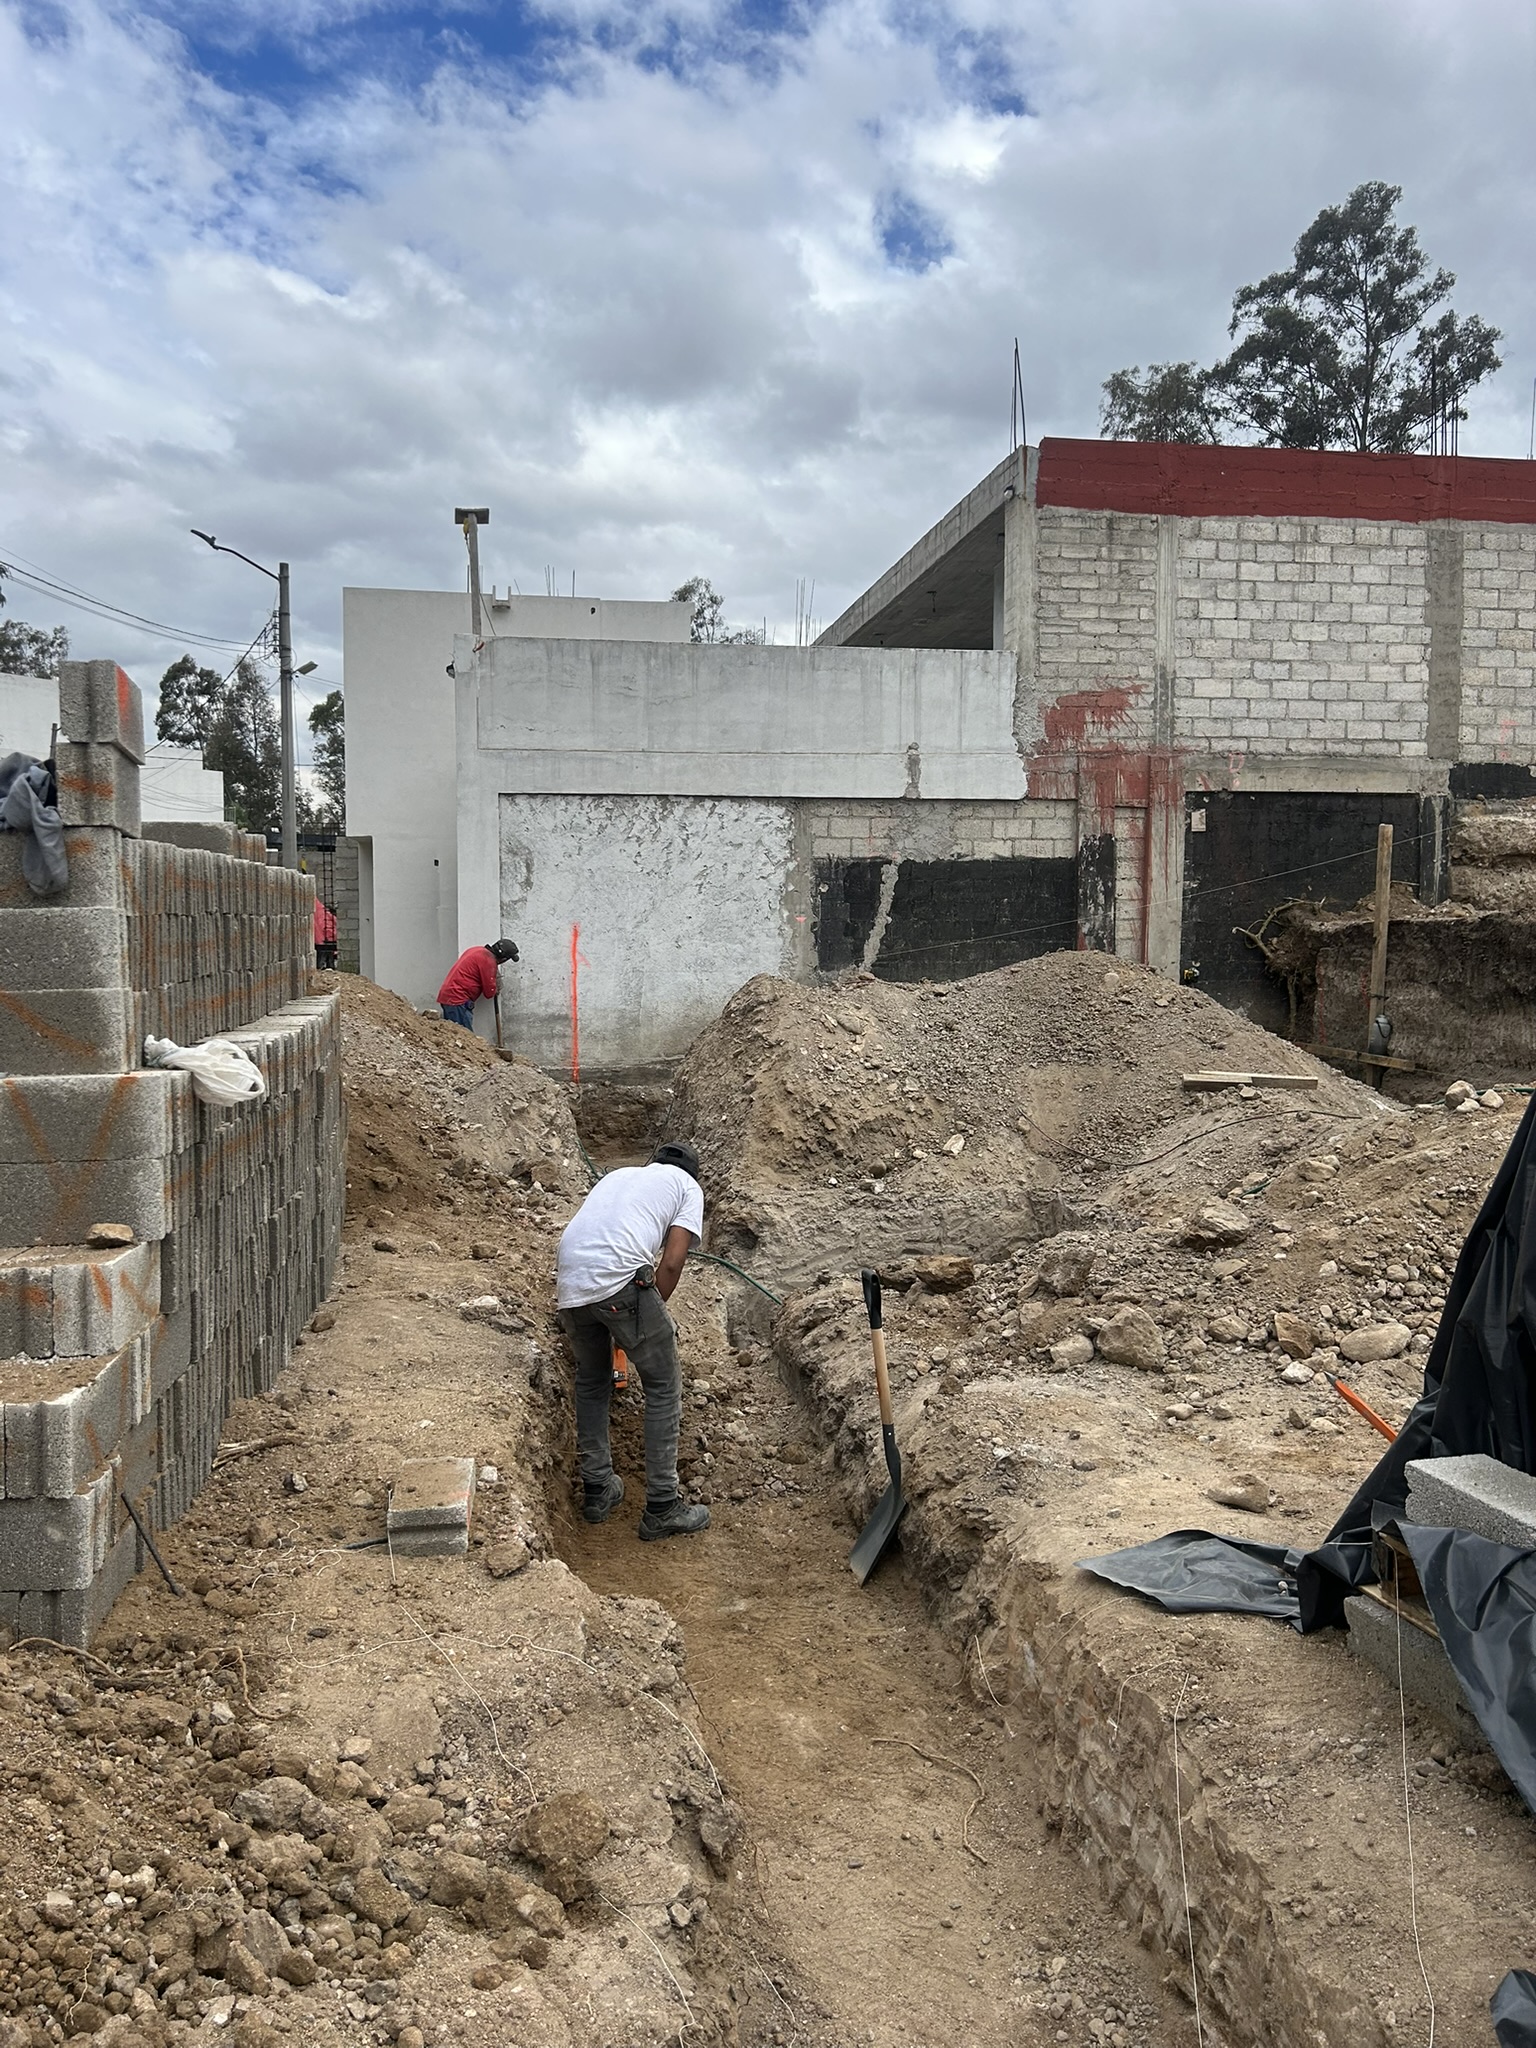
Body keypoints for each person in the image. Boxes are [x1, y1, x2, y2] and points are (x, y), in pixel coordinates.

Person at [556, 1142, 711, 1541]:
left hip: (571, 1283)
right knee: (662, 1384)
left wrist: (626, 1328)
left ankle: (598, 1490)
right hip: (620, 1278)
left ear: (652, 1163)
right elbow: (672, 1263)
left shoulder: (619, 1175)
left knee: (591, 1383)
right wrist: (642, 1320)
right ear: (692, 1173)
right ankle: (662, 1506)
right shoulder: (688, 1188)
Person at [437, 938, 518, 1029]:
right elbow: (489, 993)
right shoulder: (489, 961)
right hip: (458, 1000)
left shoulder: (477, 950)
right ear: (503, 958)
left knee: (456, 1036)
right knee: (464, 1039)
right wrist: (496, 986)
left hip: (450, 996)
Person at [313, 898, 337, 970]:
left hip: (320, 940)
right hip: (326, 939)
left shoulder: (318, 910)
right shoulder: (322, 912)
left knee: (321, 961)